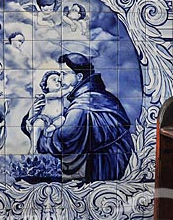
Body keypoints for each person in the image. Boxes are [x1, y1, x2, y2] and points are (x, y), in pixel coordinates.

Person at [23, 52, 134, 182]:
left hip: (106, 164)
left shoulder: (84, 103)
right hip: (105, 161)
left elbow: (65, 138)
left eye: (64, 74)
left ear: (79, 77)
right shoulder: (96, 96)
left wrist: (39, 137)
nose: (60, 78)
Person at [25, 71, 72, 154]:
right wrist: (70, 88)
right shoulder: (49, 95)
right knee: (37, 125)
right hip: (45, 118)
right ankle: (33, 147)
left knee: (62, 119)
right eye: (54, 80)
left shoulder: (61, 93)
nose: (57, 81)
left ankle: (51, 128)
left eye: (59, 80)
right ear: (46, 85)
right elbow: (60, 94)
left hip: (56, 118)